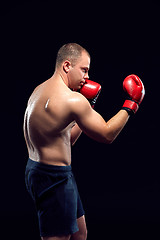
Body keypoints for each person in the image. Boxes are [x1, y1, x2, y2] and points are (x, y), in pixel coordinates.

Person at [23, 43, 145, 240]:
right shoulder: (72, 100)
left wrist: (89, 104)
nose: (87, 77)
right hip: (55, 178)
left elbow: (68, 138)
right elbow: (107, 134)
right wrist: (132, 104)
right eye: (84, 70)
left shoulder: (39, 90)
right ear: (67, 66)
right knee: (58, 237)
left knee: (80, 233)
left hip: (38, 171)